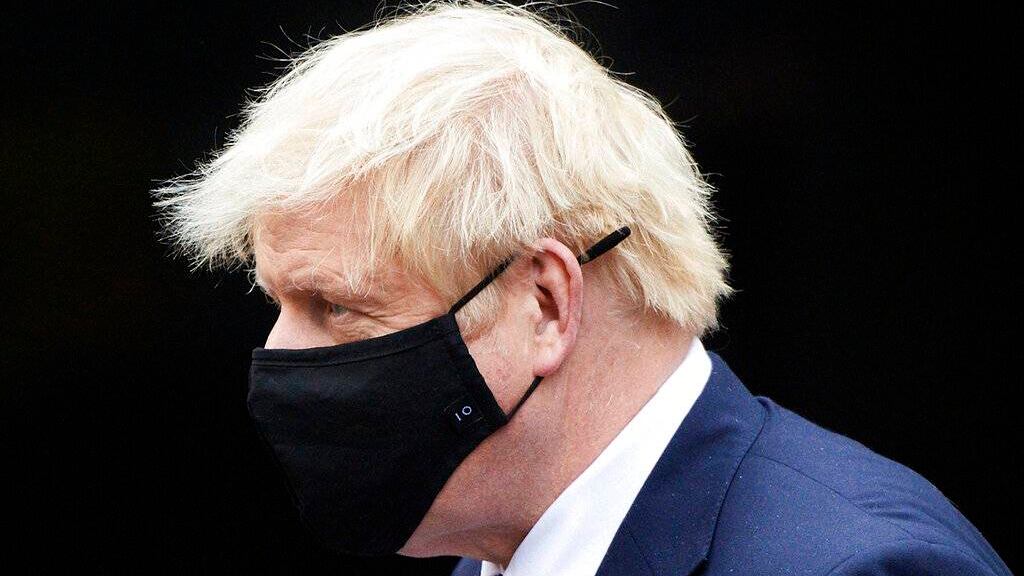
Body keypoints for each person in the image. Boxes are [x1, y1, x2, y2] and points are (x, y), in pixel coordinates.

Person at [151, 1, 1011, 574]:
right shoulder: (497, 551)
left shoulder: (848, 565)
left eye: (335, 305)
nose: (277, 357)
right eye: (277, 304)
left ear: (545, 304)